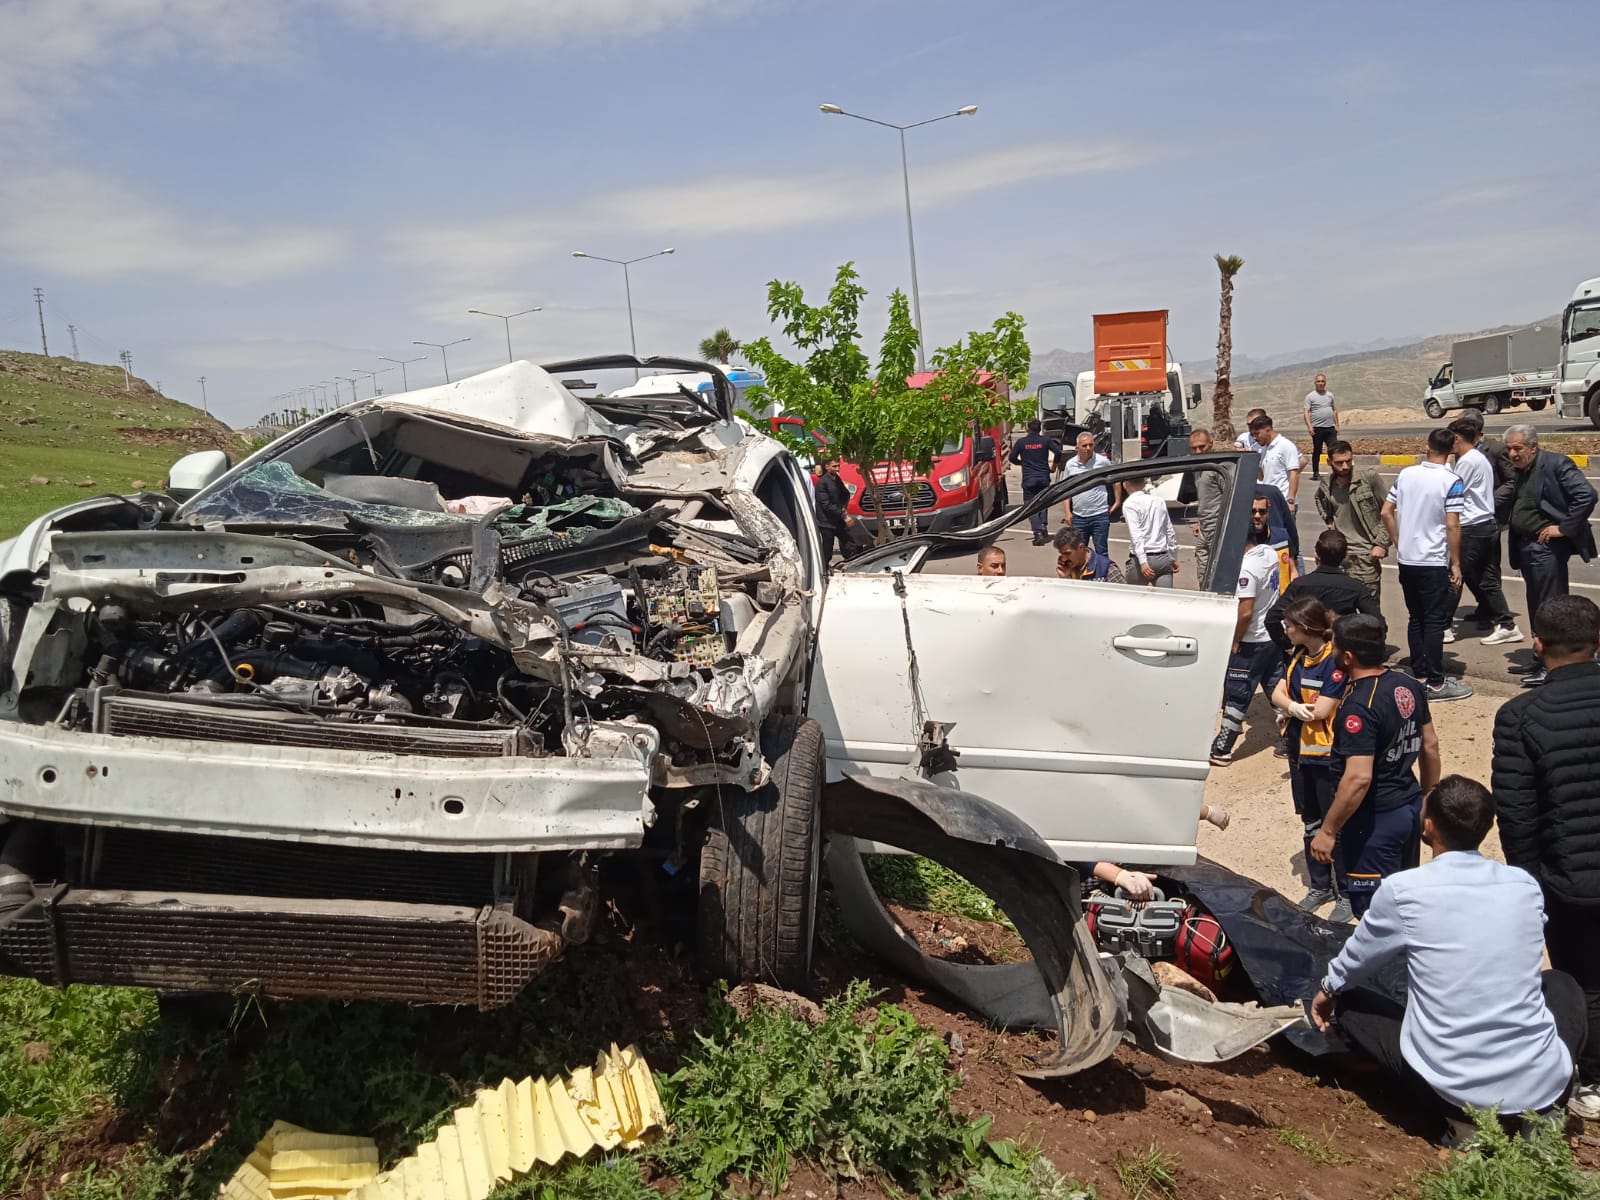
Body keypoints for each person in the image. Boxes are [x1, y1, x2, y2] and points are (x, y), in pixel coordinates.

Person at [1309, 775, 1585, 1146]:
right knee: (1562, 983)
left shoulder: (1404, 890)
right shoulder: (1523, 885)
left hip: (1453, 1092)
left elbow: (1357, 959)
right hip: (1541, 1085)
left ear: (1428, 826)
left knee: (1352, 1003)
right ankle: (1546, 1113)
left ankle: (1464, 1127)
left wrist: (1328, 989)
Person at [1492, 595, 1600, 1117]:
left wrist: (1529, 884)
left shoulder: (1520, 716)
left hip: (1568, 879)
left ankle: (1593, 1080)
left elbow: (1517, 814)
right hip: (1572, 873)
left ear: (1537, 645)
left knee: (1583, 982)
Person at [1310, 614, 1440, 917]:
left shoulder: (1358, 706)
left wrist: (1328, 831)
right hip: (1408, 808)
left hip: (1373, 822)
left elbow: (1358, 778)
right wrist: (1427, 795)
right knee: (1404, 902)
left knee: (1375, 914)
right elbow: (1430, 745)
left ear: (1348, 656)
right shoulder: (1409, 685)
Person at [1271, 597, 1352, 921]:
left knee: (1337, 826)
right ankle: (1320, 885)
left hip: (1327, 757)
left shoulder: (1334, 662)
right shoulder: (1298, 657)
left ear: (1305, 628)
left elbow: (1322, 711)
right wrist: (1292, 708)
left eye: (1289, 625)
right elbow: (1278, 693)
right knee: (1311, 824)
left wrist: (1295, 709)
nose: (1285, 630)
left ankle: (1345, 892)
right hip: (1301, 756)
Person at [1382, 428, 1472, 702]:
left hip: (1408, 559)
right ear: (1452, 449)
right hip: (1433, 560)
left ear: (1427, 446)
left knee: (1415, 617)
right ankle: (1435, 681)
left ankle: (1419, 674)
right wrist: (1455, 563)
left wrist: (1399, 540)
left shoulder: (1407, 474)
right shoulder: (1452, 480)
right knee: (1434, 620)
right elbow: (1453, 524)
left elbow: (1387, 511)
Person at [1505, 424, 1597, 644]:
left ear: (1533, 447)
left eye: (1517, 448)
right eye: (1509, 449)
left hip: (1546, 548)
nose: (1512, 454)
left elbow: (1587, 495)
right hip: (1525, 546)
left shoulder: (1556, 464)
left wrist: (1563, 528)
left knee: (1551, 607)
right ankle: (1540, 657)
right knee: (1535, 603)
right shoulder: (1522, 469)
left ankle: (1555, 660)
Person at [1210, 506, 1285, 766]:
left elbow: (1245, 612)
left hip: (1252, 640)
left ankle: (1223, 748)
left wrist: (1235, 640)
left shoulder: (1247, 568)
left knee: (1238, 691)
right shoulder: (1268, 552)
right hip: (1271, 638)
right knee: (1275, 687)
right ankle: (1290, 737)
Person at [1447, 417, 1522, 646]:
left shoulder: (1467, 462)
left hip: (1473, 527)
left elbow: (1453, 493)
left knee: (1455, 575)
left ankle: (1442, 626)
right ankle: (1507, 624)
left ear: (1457, 437)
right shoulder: (1478, 458)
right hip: (1487, 524)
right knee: (1488, 579)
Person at [1265, 529, 1380, 651]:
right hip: (1340, 652)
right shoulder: (1355, 587)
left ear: (1316, 555)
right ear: (1344, 556)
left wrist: (1287, 643)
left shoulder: (1300, 585)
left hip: (1307, 654)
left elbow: (1272, 619)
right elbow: (1377, 623)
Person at [1315, 441, 1391, 605]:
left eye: (1348, 461)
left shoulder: (1368, 478)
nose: (1345, 466)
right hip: (1338, 557)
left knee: (1369, 613)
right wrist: (1328, 528)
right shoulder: (1326, 484)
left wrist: (1381, 544)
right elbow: (1319, 500)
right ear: (1328, 462)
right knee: (1338, 611)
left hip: (1365, 558)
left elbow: (1388, 512)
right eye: (1339, 462)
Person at [1248, 413, 1302, 566]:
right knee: (1271, 540)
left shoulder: (1285, 446)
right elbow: (1263, 475)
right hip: (1267, 502)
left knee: (1287, 540)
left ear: (1268, 429)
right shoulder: (1263, 449)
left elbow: (1294, 473)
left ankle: (1296, 570)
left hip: (1283, 502)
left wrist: (1290, 499)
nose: (1255, 438)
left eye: (1257, 434)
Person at [1060, 431, 1115, 557]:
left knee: (1102, 552)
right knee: (1078, 553)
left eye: (1090, 445)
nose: (1088, 448)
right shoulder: (1071, 465)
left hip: (1099, 515)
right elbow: (1066, 490)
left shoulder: (1102, 462)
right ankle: (1081, 577)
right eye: (1084, 446)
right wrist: (1068, 512)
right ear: (1077, 447)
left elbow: (1115, 480)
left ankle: (1102, 576)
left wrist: (1116, 502)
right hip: (1079, 517)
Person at [1010, 418, 1064, 545]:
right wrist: (1054, 466)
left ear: (1028, 429)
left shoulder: (1022, 442)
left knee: (1030, 506)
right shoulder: (1045, 440)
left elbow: (1012, 457)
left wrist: (1022, 463)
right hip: (1043, 477)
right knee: (1043, 503)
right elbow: (1058, 451)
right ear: (1040, 429)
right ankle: (1043, 525)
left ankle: (1037, 532)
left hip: (1029, 479)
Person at [1122, 475, 1179, 587]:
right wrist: (1173, 556)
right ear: (1144, 483)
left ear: (1125, 484)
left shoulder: (1130, 504)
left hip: (1142, 559)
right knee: (1164, 599)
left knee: (1134, 598)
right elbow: (1169, 530)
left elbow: (1136, 535)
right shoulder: (1158, 501)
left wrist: (1143, 562)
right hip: (1163, 557)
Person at [1190, 428, 1227, 588]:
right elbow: (1206, 499)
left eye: (1202, 447)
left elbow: (1229, 494)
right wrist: (1199, 521)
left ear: (1210, 445)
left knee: (1216, 565)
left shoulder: (1217, 468)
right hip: (1204, 526)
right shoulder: (1198, 469)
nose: (1198, 451)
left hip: (1217, 525)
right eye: (1194, 448)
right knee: (1202, 563)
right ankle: (1204, 591)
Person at [813, 456, 854, 567]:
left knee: (849, 545)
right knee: (827, 550)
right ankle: (824, 569)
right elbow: (826, 505)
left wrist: (843, 508)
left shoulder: (837, 479)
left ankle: (852, 565)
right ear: (827, 467)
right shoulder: (822, 483)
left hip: (839, 520)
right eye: (834, 466)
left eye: (838, 466)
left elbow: (845, 494)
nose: (837, 468)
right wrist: (844, 514)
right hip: (827, 523)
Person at [1054, 525, 1123, 582]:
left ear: (1081, 547)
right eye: (1061, 554)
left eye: (1067, 553)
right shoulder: (1067, 568)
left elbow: (1124, 596)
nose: (1064, 559)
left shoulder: (1107, 569)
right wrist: (1064, 579)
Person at [1303, 374, 1339, 481]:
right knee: (1317, 451)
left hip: (1330, 428)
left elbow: (1334, 410)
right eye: (1318, 381)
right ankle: (1315, 472)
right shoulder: (1310, 396)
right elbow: (1306, 412)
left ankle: (1337, 472)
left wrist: (1337, 424)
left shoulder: (1330, 395)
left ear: (1325, 382)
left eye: (1322, 381)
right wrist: (1309, 427)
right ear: (1315, 383)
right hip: (1317, 428)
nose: (1320, 383)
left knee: (1334, 450)